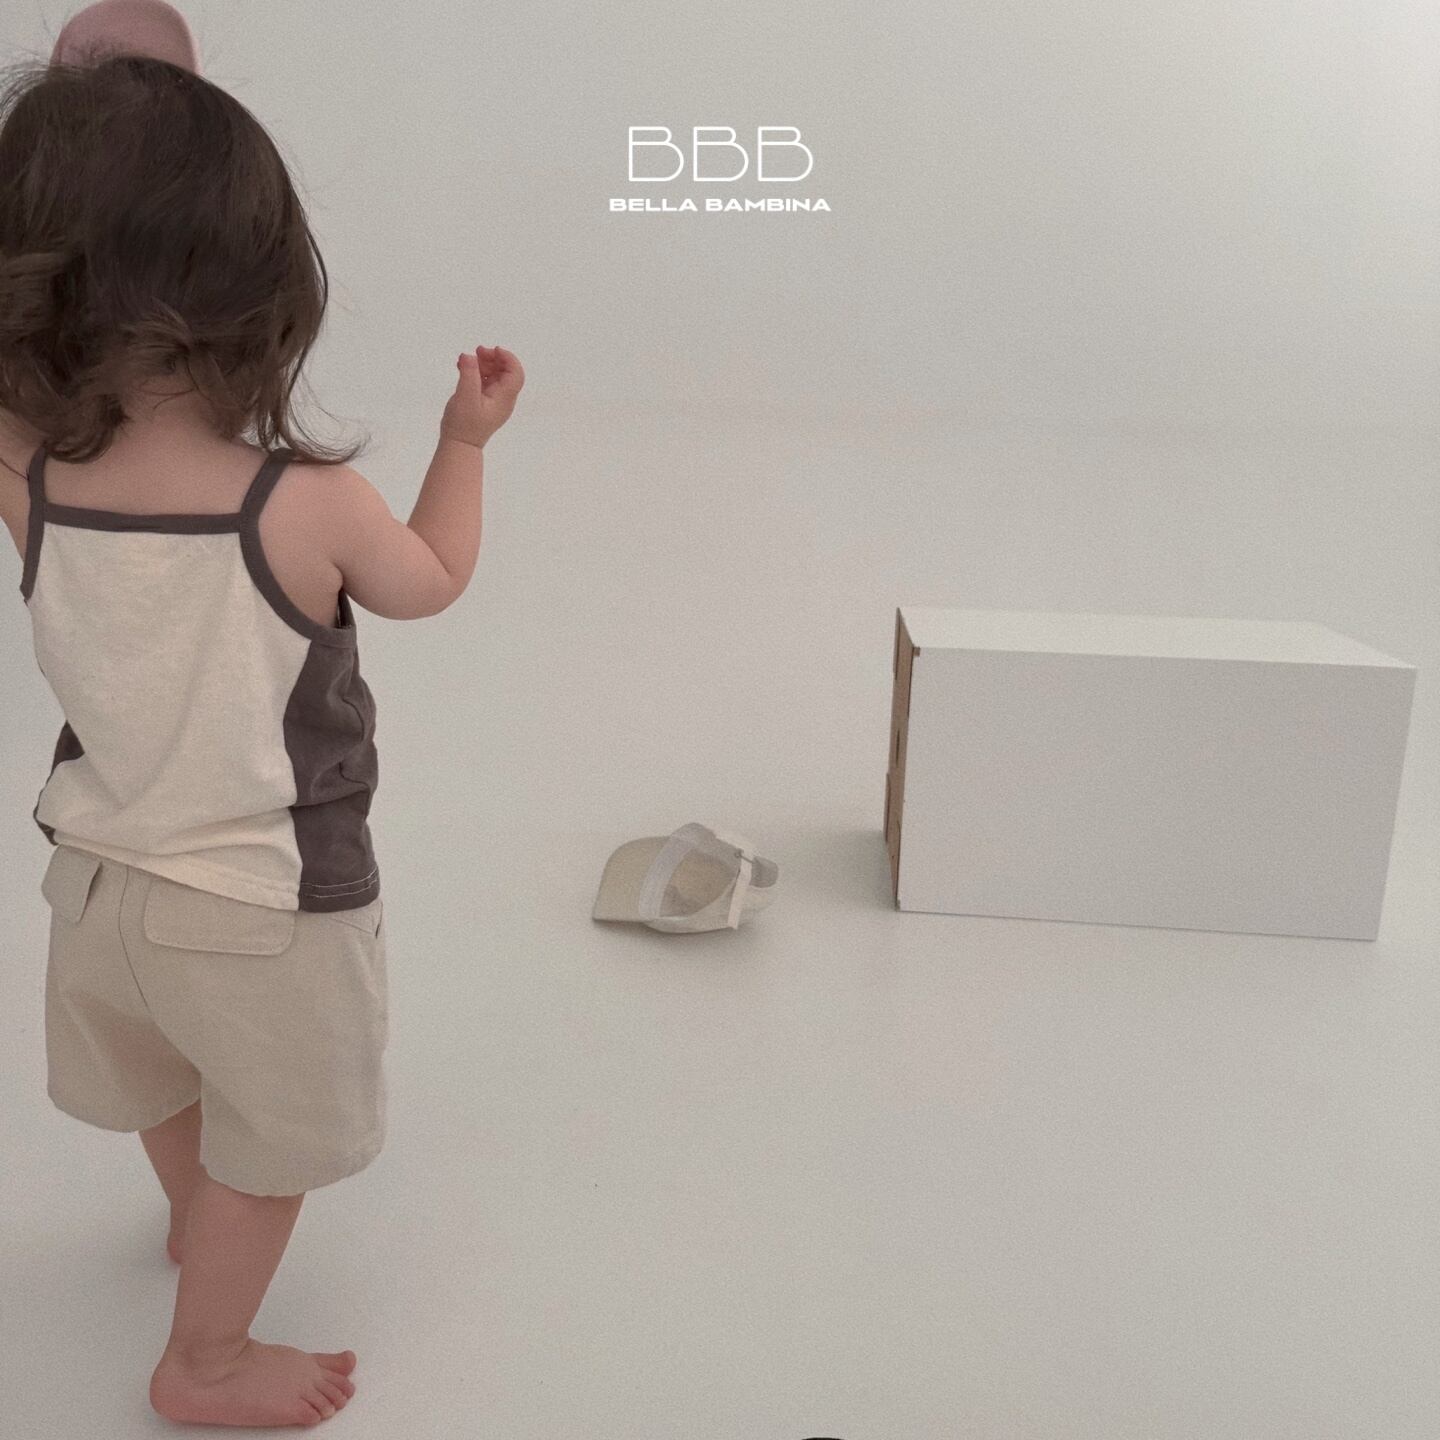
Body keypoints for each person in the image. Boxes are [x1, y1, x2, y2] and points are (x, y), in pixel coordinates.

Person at [0, 45, 523, 1428]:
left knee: (167, 1085)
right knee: (271, 1148)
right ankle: (207, 1359)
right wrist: (465, 443)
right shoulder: (305, 504)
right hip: (262, 909)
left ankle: (192, 1220)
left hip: (95, 887)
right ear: (260, 293)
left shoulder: (28, 471)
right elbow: (431, 580)